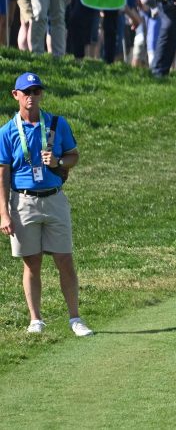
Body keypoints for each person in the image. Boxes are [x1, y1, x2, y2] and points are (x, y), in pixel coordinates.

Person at [0, 72, 93, 337]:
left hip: (54, 198)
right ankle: (36, 319)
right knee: (32, 263)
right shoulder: (7, 132)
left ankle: (75, 318)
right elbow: (2, 174)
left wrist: (58, 163)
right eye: (26, 92)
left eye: (36, 91)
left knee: (65, 259)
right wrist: (3, 213)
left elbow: (73, 156)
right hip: (23, 202)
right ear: (15, 95)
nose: (31, 96)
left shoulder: (56, 123)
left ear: (41, 94)